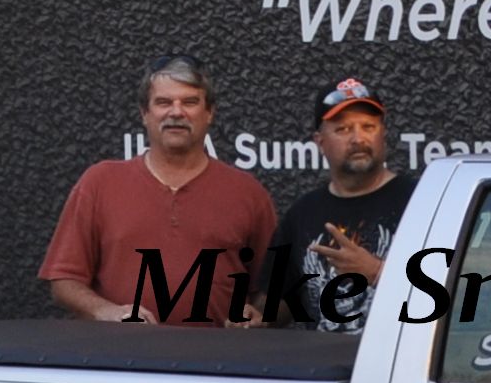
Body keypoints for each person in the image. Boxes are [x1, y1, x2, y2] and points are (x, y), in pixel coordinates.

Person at [42, 56, 278, 325]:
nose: (176, 112)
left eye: (190, 102)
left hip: (218, 351)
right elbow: (64, 280)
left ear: (209, 113)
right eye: (163, 102)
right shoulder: (99, 182)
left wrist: (259, 315)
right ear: (145, 113)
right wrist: (104, 311)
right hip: (120, 350)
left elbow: (272, 289)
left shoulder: (248, 193)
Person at [267, 78, 416, 331]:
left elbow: (455, 293)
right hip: (323, 357)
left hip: (399, 356)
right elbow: (279, 305)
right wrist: (254, 318)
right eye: (343, 129)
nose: (358, 138)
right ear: (320, 142)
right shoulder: (303, 213)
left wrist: (376, 272)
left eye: (368, 127)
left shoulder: (420, 200)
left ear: (383, 134)